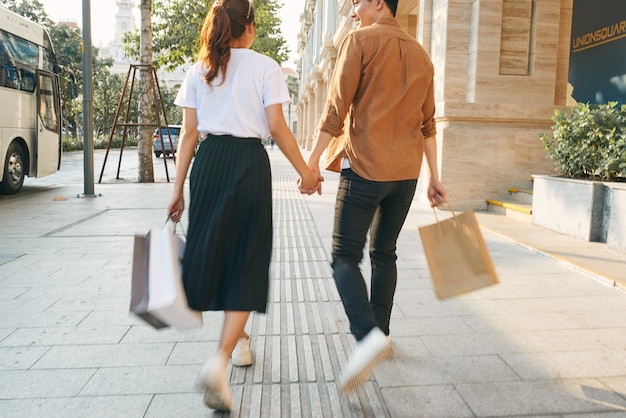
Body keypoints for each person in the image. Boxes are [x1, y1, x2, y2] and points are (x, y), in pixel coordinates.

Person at [166, 0, 322, 412]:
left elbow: (188, 134)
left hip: (209, 165)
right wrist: (306, 171)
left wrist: (178, 188)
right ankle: (219, 362)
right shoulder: (265, 67)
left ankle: (240, 343)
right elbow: (276, 128)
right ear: (249, 26)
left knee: (218, 254)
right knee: (247, 260)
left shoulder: (199, 69)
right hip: (249, 166)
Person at [305, 0, 447, 393]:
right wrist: (434, 176)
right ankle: (381, 334)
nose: (352, 11)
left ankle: (368, 337)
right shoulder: (422, 56)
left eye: (356, 2)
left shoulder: (359, 42)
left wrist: (313, 162)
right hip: (406, 176)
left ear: (378, 3)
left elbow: (335, 109)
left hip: (365, 168)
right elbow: (427, 123)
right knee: (384, 252)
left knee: (343, 257)